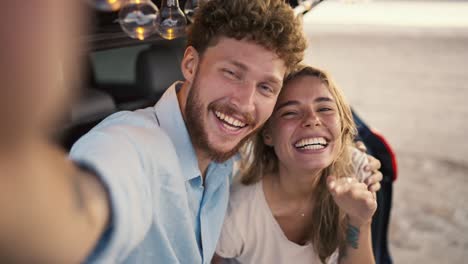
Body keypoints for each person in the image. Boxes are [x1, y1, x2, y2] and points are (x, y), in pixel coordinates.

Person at [0, 0, 381, 263]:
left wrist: (359, 155)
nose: (245, 103)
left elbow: (304, 143)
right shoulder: (128, 146)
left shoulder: (230, 152)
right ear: (190, 63)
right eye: (231, 73)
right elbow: (76, 212)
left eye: (266, 87)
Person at [214, 65, 379, 264]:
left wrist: (360, 221)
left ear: (342, 124)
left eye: (325, 108)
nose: (312, 120)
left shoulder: (357, 170)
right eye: (290, 112)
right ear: (268, 134)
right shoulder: (238, 212)